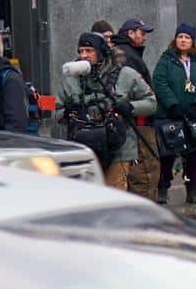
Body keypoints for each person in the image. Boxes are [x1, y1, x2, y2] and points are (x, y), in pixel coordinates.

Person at [58, 31, 154, 190]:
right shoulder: (71, 79)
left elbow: (152, 103)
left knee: (113, 196)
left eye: (89, 51)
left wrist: (130, 107)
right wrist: (67, 113)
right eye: (81, 51)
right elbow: (56, 111)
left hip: (119, 150)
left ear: (101, 52)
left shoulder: (126, 75)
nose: (84, 56)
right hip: (84, 150)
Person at [151, 23, 196, 205]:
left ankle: (193, 190)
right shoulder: (166, 59)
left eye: (187, 37)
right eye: (180, 37)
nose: (183, 40)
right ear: (175, 39)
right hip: (170, 116)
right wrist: (172, 104)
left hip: (193, 117)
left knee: (193, 157)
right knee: (167, 156)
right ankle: (163, 189)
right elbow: (159, 82)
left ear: (192, 41)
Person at [114, 17, 155, 85]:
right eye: (142, 34)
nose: (145, 38)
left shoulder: (123, 50)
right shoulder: (128, 55)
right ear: (131, 33)